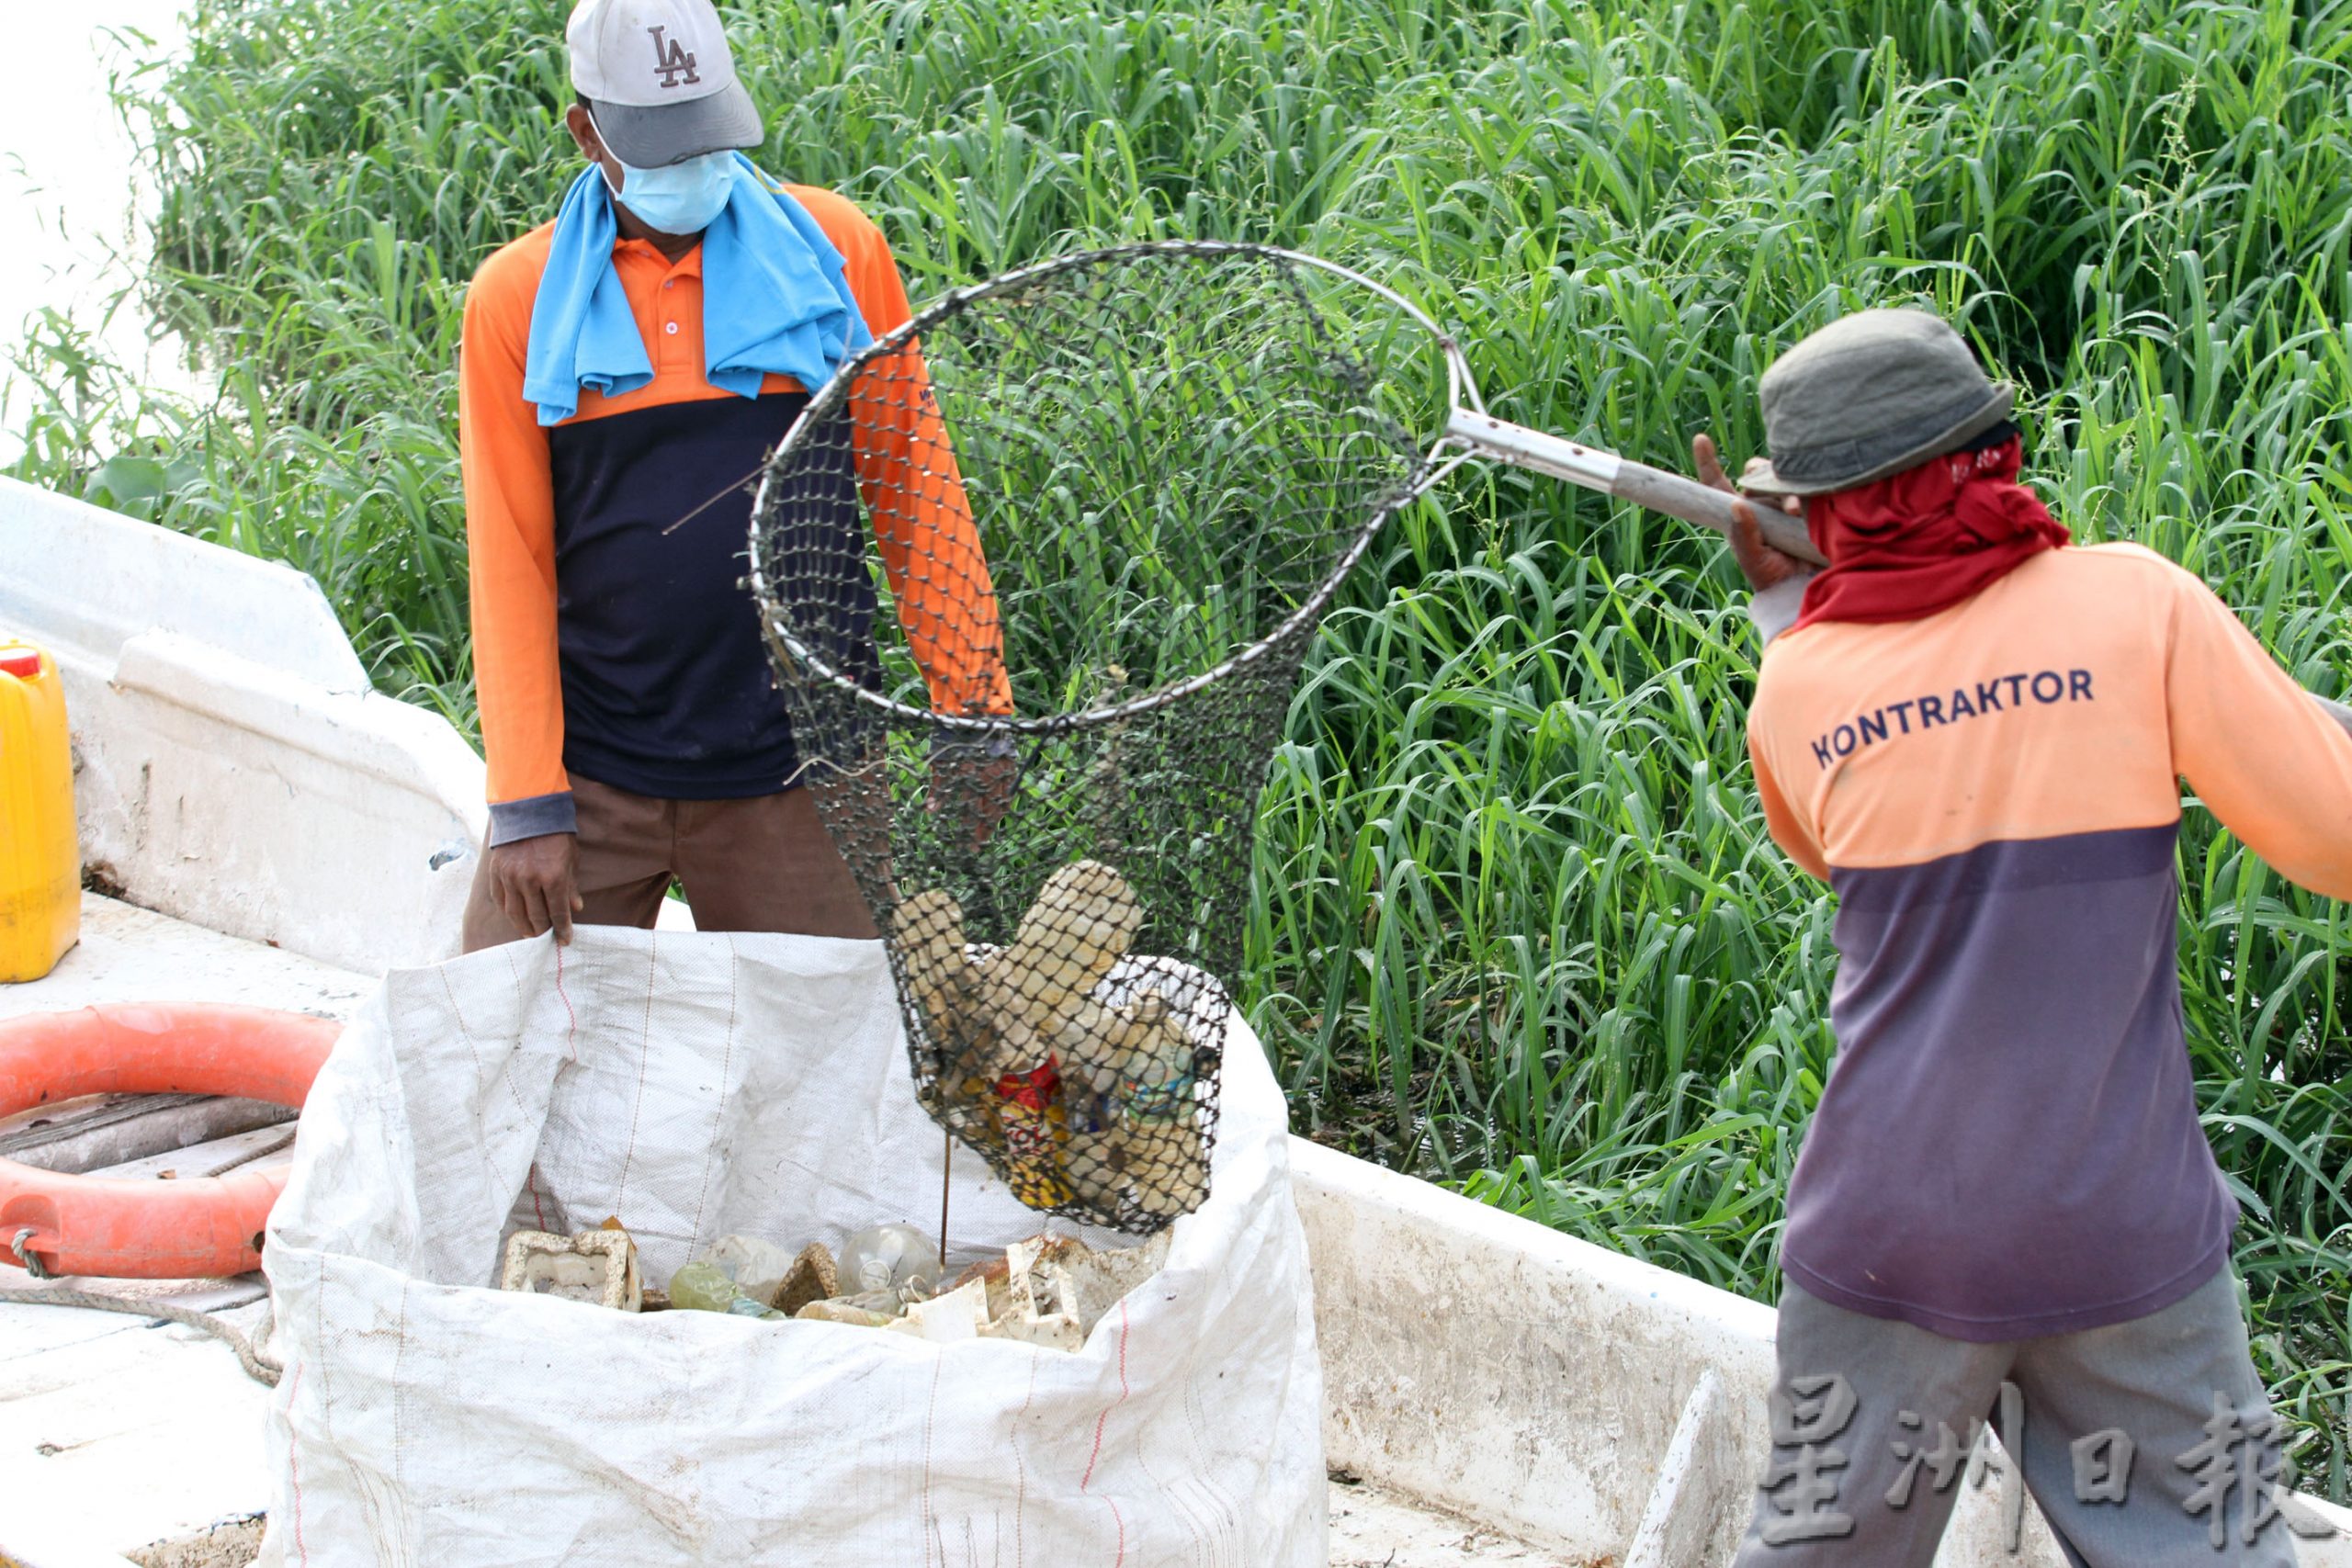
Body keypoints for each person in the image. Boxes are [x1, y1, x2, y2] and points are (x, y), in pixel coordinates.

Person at [1693, 309, 2352, 1564]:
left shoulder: (1798, 684)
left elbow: (1838, 853)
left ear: (1823, 514)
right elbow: (2336, 835)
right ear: (1990, 454)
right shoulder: (2136, 607)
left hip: (1892, 1235)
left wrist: (1799, 621)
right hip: (2121, 1223)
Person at [457, 0, 1009, 953]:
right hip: (597, 774)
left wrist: (973, 708)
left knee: (825, 1068)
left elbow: (914, 494)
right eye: (662, 149)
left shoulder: (833, 253)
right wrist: (526, 802)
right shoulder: (519, 299)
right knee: (490, 1040)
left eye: (706, 136)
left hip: (807, 778)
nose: (694, 170)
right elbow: (510, 561)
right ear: (586, 130)